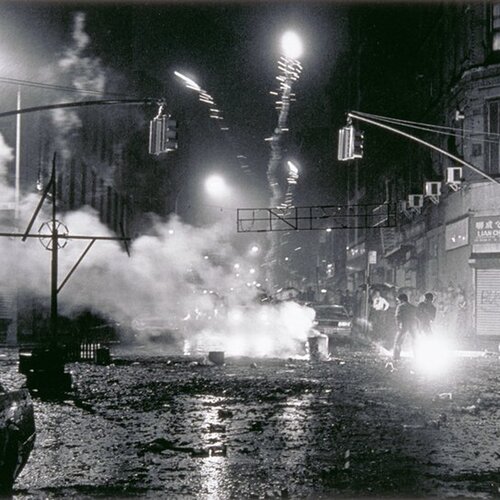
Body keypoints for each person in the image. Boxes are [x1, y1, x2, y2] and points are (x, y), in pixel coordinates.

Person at [392, 293, 420, 361]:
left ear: (401, 300)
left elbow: (398, 316)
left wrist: (399, 324)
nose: (398, 302)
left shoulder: (400, 306)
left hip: (404, 324)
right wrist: (418, 327)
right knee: (415, 340)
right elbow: (417, 318)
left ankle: (396, 356)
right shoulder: (413, 307)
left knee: (398, 341)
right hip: (413, 325)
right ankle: (417, 356)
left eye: (398, 300)